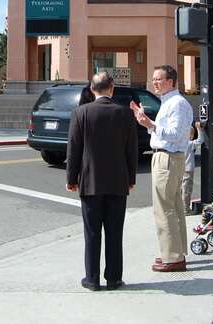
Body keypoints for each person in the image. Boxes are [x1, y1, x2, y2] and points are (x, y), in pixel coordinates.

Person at [66, 71, 138, 292]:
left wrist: (71, 178)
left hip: (90, 182)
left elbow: (74, 148)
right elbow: (132, 150)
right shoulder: (125, 113)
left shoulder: (80, 113)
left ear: (91, 89)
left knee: (92, 233)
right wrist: (131, 178)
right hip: (118, 182)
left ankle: (92, 278)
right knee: (115, 233)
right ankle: (114, 278)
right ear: (112, 88)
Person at [131, 65, 194, 273]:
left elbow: (175, 134)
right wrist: (147, 123)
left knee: (164, 208)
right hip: (167, 157)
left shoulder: (177, 103)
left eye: (159, 79)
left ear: (171, 81)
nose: (155, 83)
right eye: (154, 79)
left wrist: (150, 125)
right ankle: (176, 252)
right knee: (173, 206)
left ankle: (173, 257)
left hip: (168, 158)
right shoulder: (170, 102)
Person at [182, 121, 205, 214]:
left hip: (180, 169)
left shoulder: (179, 144)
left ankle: (180, 208)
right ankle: (186, 209)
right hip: (188, 170)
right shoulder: (190, 144)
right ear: (191, 136)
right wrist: (199, 129)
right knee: (187, 190)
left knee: (180, 189)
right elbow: (200, 140)